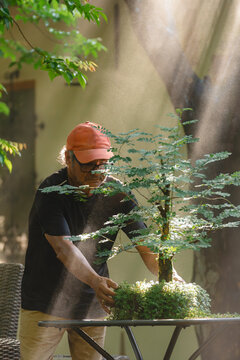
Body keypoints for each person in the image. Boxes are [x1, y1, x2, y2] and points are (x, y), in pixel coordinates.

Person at [19, 121, 160, 360]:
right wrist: (96, 281)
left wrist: (169, 275)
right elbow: (64, 248)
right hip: (45, 301)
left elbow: (145, 246)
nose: (97, 172)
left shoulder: (118, 194)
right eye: (88, 165)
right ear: (69, 159)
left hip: (91, 304)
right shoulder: (51, 191)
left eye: (102, 164)